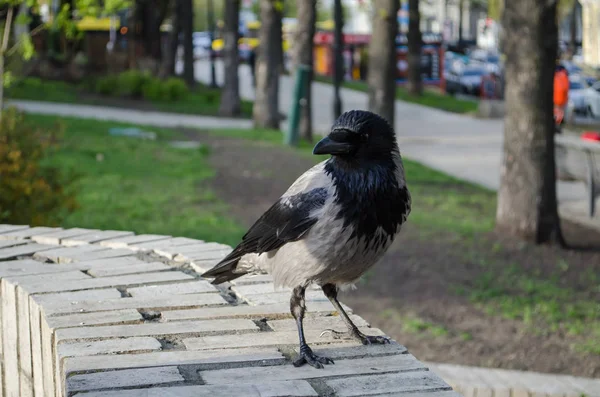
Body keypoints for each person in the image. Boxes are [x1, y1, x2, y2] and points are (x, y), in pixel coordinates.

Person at [554, 62, 570, 132]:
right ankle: (558, 126)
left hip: (556, 97)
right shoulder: (565, 76)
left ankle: (556, 126)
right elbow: (566, 88)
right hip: (562, 98)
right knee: (560, 113)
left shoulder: (557, 75)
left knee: (557, 113)